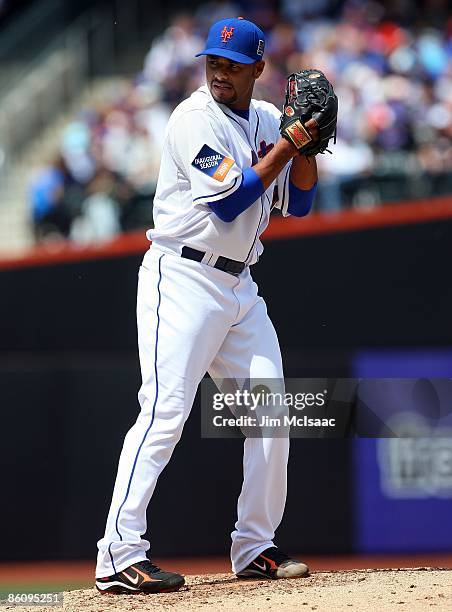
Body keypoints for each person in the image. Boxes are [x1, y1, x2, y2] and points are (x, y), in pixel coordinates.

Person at [95, 17, 319, 595]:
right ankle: (118, 554)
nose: (220, 72)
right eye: (213, 62)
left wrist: (308, 145)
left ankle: (255, 547)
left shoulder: (269, 119)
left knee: (270, 414)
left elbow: (301, 203)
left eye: (233, 64)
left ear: (257, 69)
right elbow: (229, 201)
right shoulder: (192, 119)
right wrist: (290, 146)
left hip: (241, 286)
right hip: (184, 276)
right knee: (165, 412)